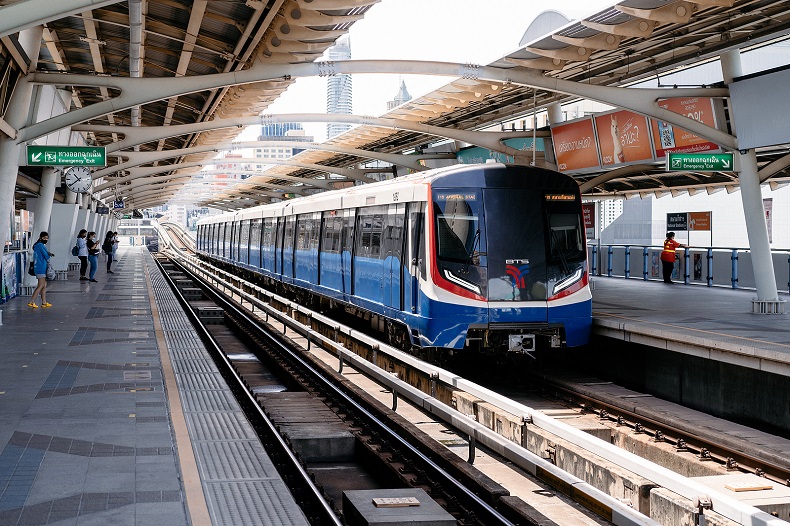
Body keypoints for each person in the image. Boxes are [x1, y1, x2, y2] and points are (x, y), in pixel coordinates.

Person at [28, 232, 53, 308]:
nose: (46, 239)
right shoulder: (41, 246)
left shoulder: (37, 245)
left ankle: (44, 302)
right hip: (41, 267)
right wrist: (49, 256)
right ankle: (31, 301)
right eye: (45, 238)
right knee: (41, 285)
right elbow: (46, 256)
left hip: (38, 266)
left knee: (44, 285)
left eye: (47, 238)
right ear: (41, 237)